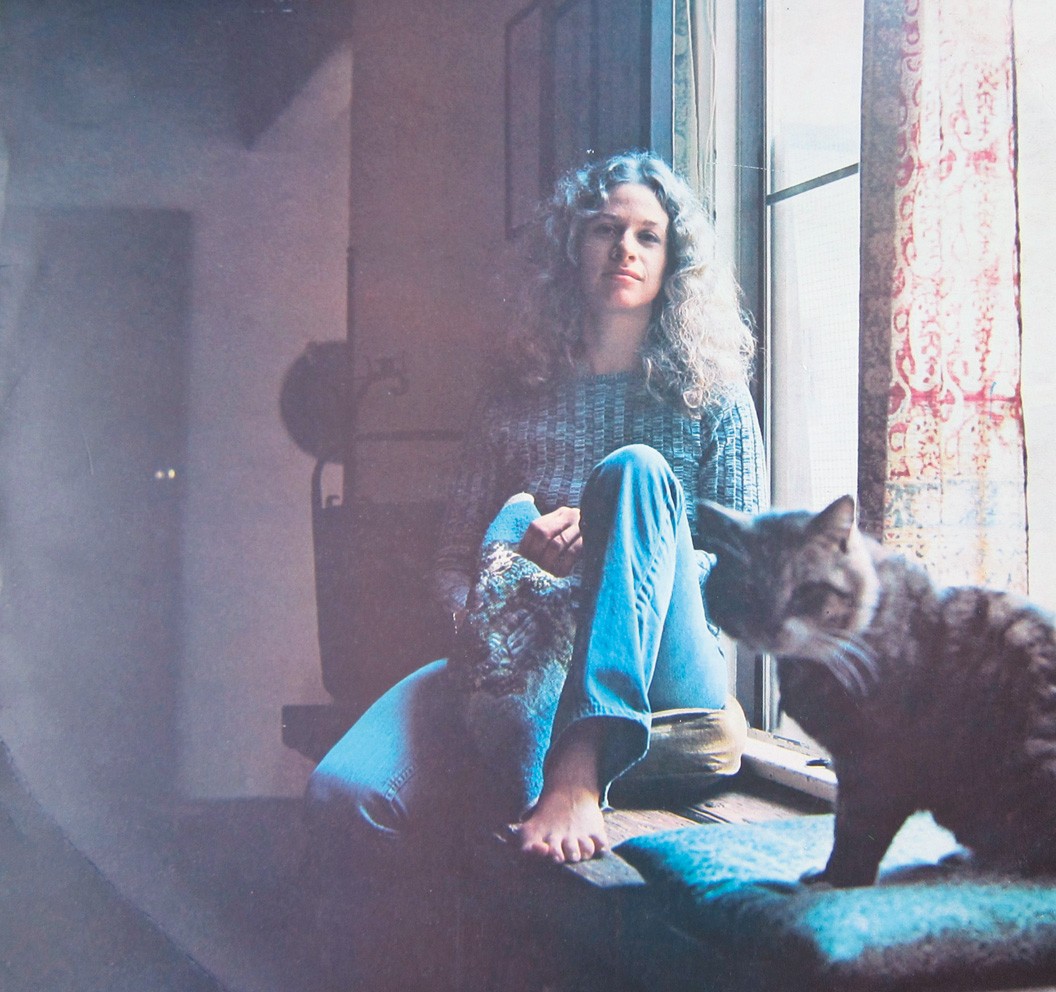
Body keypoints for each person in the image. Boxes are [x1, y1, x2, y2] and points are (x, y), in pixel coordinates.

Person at [307, 150, 765, 876]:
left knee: (635, 472)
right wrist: (512, 581)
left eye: (648, 236)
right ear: (570, 248)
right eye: (605, 229)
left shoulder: (713, 394)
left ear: (673, 259)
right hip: (526, 654)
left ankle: (578, 767)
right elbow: (453, 563)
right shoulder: (514, 395)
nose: (624, 249)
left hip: (669, 675)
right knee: (343, 790)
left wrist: (619, 539)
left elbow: (742, 577)